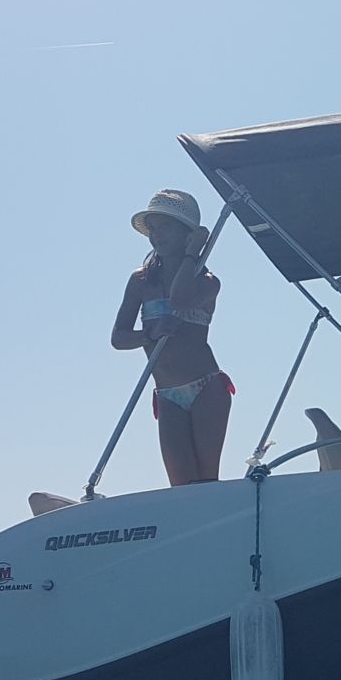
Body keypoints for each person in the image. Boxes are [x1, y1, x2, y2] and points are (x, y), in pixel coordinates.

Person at [111, 189, 232, 485]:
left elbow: (179, 300)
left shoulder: (208, 282)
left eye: (164, 226)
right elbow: (119, 337)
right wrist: (148, 334)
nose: (156, 235)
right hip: (166, 394)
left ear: (187, 233)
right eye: (152, 228)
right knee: (181, 484)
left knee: (206, 480)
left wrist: (192, 254)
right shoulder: (141, 280)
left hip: (206, 387)